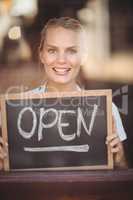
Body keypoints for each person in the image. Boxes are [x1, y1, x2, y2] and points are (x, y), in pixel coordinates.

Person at [0, 17, 127, 169]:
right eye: (52, 50)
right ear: (41, 55)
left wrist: (119, 159)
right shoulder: (13, 111)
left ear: (83, 56)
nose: (61, 60)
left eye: (72, 51)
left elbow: (123, 177)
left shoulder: (106, 109)